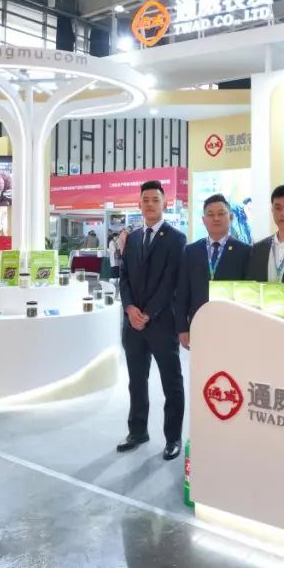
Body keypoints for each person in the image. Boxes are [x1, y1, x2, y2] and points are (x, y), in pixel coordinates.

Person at [117, 180, 187, 461]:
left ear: (164, 203)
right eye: (145, 200)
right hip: (133, 325)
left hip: (161, 324)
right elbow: (124, 277)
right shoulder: (132, 238)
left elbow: (171, 282)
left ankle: (173, 438)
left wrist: (148, 313)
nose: (149, 204)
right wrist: (129, 307)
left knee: (171, 383)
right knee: (136, 381)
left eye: (155, 200)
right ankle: (137, 431)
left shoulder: (176, 239)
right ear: (139, 204)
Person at [174, 194, 252, 349]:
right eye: (210, 214)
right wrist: (182, 327)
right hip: (199, 324)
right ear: (204, 220)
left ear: (231, 217)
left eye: (221, 213)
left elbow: (248, 293)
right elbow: (182, 291)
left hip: (233, 326)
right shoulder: (191, 251)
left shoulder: (245, 251)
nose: (216, 218)